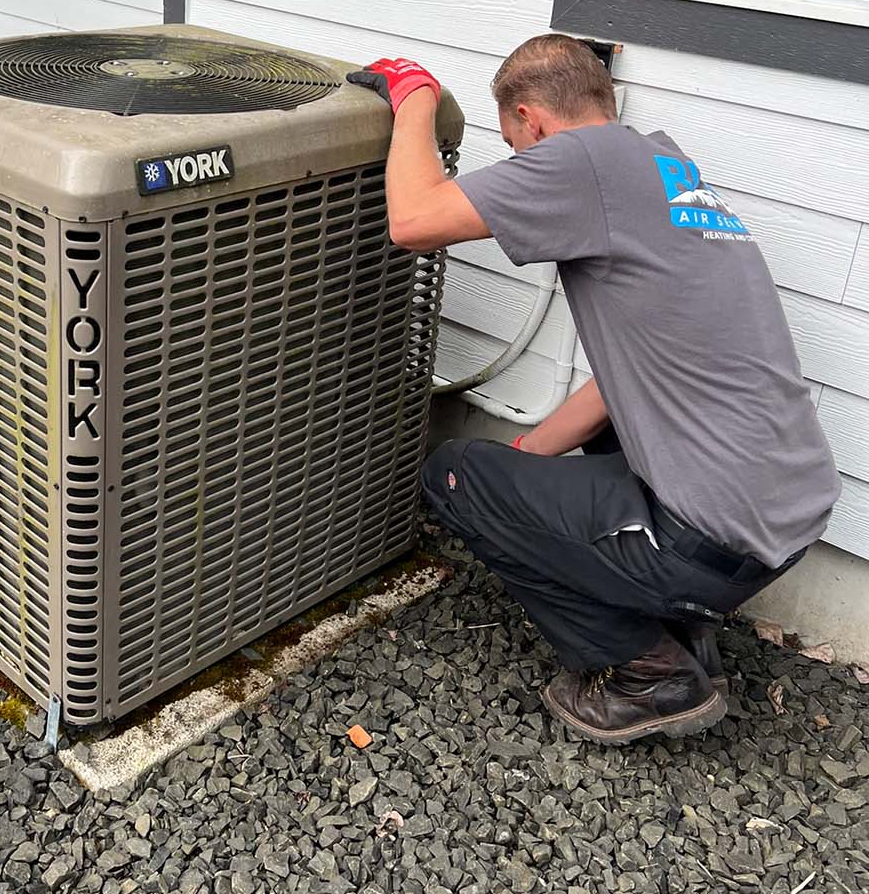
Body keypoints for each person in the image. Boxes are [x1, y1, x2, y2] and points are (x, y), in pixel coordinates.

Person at [347, 36, 840, 744]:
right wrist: (523, 461)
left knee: (454, 475)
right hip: (779, 520)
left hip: (714, 535)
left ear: (533, 121)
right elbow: (629, 385)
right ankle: (681, 623)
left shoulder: (581, 161)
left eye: (519, 149)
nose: (525, 168)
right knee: (536, 460)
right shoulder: (667, 170)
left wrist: (415, 93)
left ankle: (648, 673)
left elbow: (414, 222)